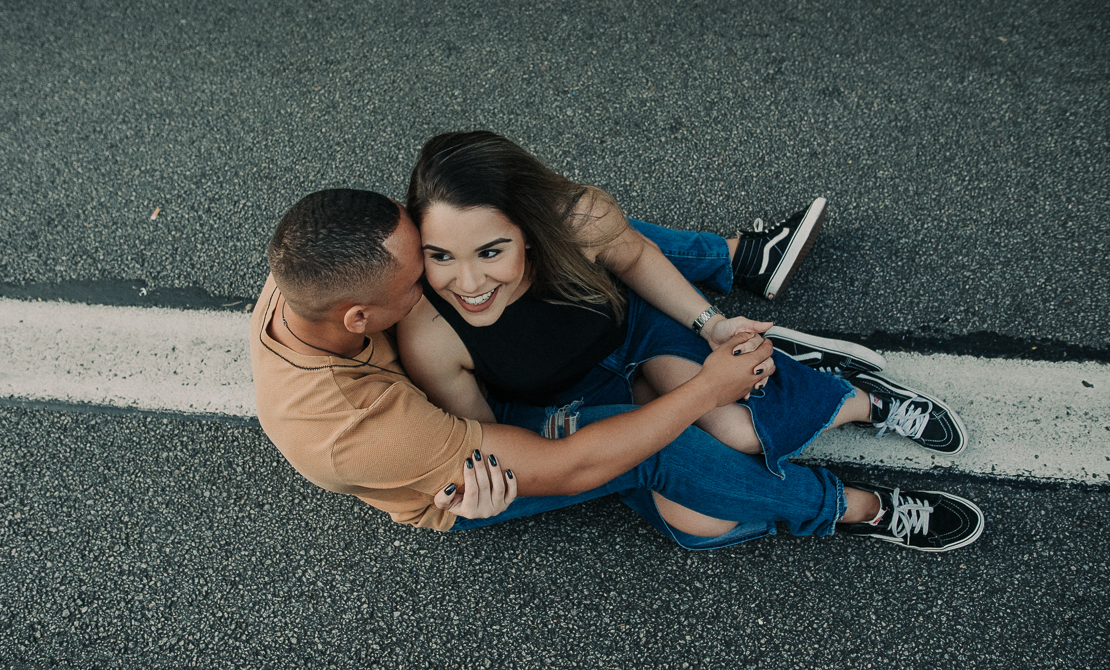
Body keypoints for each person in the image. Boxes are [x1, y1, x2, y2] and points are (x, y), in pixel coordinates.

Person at [251, 186, 984, 552]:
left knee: (510, 220)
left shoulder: (320, 265)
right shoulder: (352, 426)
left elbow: (518, 223)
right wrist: (706, 385)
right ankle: (851, 508)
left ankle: (746, 271)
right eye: (424, 274)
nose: (447, 281)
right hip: (473, 471)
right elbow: (566, 464)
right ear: (360, 319)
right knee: (685, 492)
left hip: (474, 399)